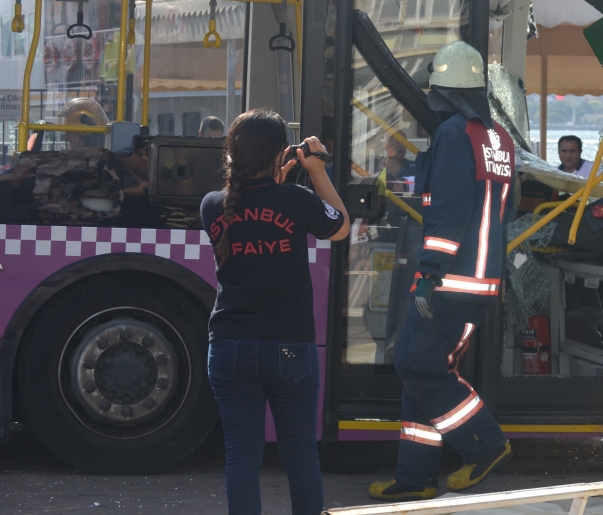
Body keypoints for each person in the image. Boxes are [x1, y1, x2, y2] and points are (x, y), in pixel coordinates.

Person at [369, 41, 515, 501]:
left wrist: (429, 274)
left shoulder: (454, 133)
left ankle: (486, 445)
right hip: (481, 277)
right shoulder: (498, 138)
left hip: (451, 280)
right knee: (422, 370)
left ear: (444, 92)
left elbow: (449, 211)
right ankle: (414, 478)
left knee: (414, 363)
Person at [201, 109, 350, 515]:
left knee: (241, 457)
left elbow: (252, 213)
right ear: (281, 152)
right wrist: (317, 171)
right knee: (300, 455)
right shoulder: (295, 200)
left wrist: (274, 181)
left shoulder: (212, 205)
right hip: (289, 346)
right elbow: (340, 227)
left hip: (228, 346)